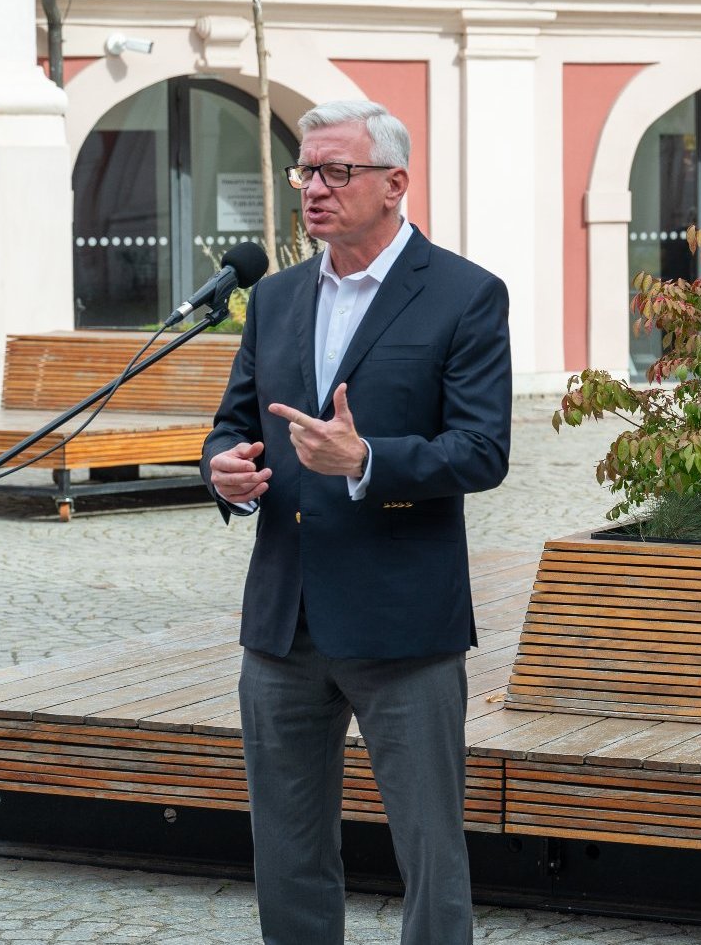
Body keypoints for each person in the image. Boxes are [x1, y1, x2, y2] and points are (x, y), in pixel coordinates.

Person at [202, 99, 512, 945]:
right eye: (306, 170)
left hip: (403, 622)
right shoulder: (272, 298)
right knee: (288, 852)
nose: (314, 189)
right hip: (283, 619)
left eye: (337, 171)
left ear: (395, 183)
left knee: (430, 856)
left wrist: (369, 459)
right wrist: (221, 468)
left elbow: (483, 450)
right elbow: (235, 422)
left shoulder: (464, 294)